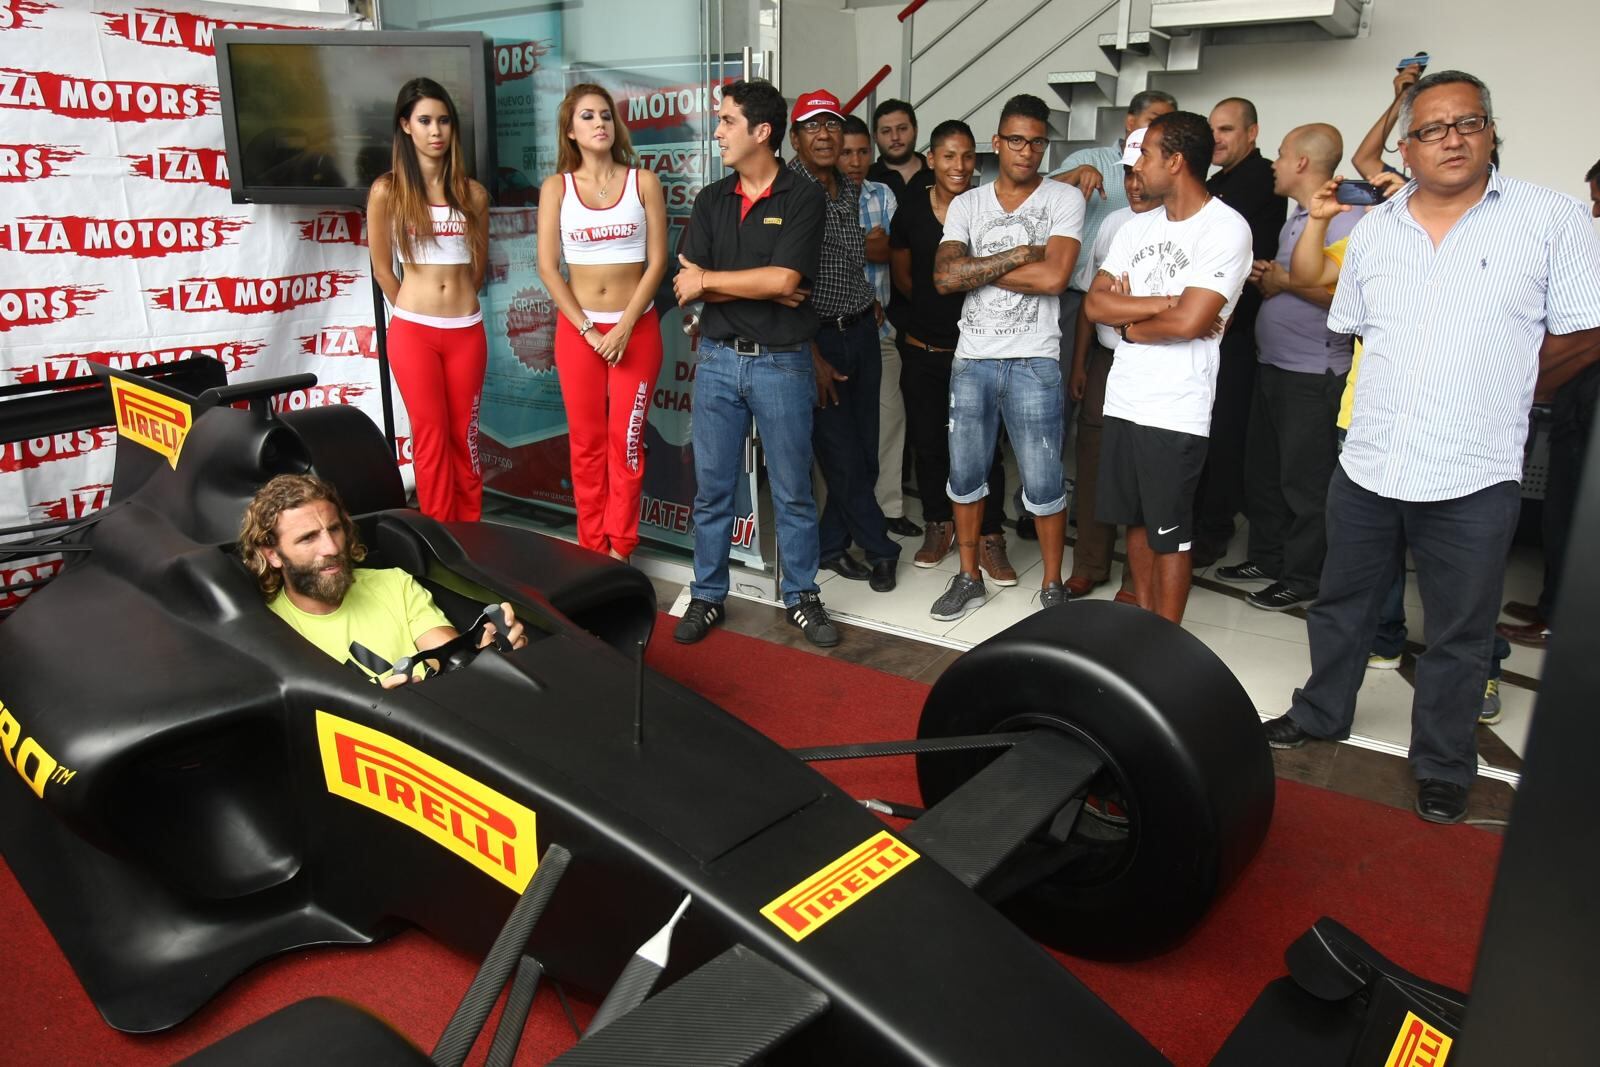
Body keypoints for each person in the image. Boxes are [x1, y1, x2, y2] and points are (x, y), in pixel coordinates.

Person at [1261, 71, 1600, 825]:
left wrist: (1507, 383)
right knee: (1342, 605)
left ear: (1489, 131)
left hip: (1474, 469)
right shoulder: (1375, 229)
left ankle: (1444, 761)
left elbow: (1585, 329)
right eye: (1432, 128)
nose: (1451, 138)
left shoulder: (1552, 219)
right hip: (1372, 457)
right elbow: (1351, 326)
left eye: (1467, 122)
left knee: (1458, 626)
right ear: (1406, 147)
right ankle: (1321, 712)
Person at [671, 79, 840, 647]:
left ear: (761, 132)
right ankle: (707, 595)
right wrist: (759, 286)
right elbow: (684, 284)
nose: (717, 132)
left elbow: (784, 281)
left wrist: (716, 281)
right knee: (713, 492)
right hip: (718, 361)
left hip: (782, 365)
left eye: (726, 121)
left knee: (792, 489)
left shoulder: (803, 196)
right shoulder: (710, 199)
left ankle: (801, 596)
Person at [1085, 111, 1254, 624]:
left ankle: (1166, 642)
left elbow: (1192, 323)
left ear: (1175, 162)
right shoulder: (1137, 228)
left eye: (1147, 154)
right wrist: (1166, 304)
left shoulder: (1225, 228)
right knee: (1135, 524)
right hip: (1126, 398)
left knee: (1171, 534)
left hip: (1176, 409)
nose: (1136, 166)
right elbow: (1096, 305)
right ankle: (1142, 623)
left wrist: (1133, 322)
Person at [929, 94, 1084, 620]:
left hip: (1034, 361)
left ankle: (1053, 585)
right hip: (972, 360)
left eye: (1037, 141)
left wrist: (977, 266)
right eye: (1016, 140)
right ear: (997, 143)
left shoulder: (1063, 199)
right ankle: (968, 576)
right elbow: (944, 277)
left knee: (1043, 480)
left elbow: (1056, 278)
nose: (1027, 151)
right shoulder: (969, 204)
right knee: (966, 474)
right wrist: (1021, 254)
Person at [1216, 124, 1362, 612]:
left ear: (1302, 162)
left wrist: (1284, 281)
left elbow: (1346, 298)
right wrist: (1271, 280)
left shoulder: (1344, 219)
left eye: (1280, 155)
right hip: (1274, 364)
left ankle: (1302, 577)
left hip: (1312, 373)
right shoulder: (1299, 216)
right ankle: (1269, 558)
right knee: (1265, 472)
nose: (1273, 164)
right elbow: (1293, 282)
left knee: (1305, 483)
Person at [537, 83, 668, 562]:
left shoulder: (643, 183)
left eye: (606, 116)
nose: (600, 124)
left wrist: (625, 326)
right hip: (580, 335)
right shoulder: (557, 188)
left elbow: (658, 263)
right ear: (570, 131)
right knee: (587, 446)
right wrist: (591, 332)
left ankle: (621, 548)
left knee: (626, 444)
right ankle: (592, 547)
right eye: (588, 117)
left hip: (636, 330)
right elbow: (549, 269)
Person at [238, 474, 526, 687]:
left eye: (335, 529)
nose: (332, 548)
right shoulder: (271, 630)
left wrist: (488, 655)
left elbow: (447, 657)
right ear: (272, 554)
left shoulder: (394, 584)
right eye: (308, 538)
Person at [789, 91, 903, 594]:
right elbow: (785, 283)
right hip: (819, 341)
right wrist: (808, 351)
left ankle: (831, 546)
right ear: (795, 137)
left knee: (866, 453)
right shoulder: (787, 191)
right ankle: (882, 548)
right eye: (813, 126)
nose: (824, 135)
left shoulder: (846, 187)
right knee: (841, 455)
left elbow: (846, 259)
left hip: (861, 328)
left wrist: (865, 299)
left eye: (832, 125)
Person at [367, 78, 491, 523]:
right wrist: (414, 314)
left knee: (465, 438)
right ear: (406, 126)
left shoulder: (472, 194)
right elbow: (383, 269)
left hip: (466, 331)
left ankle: (473, 539)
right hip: (413, 332)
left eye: (443, 120)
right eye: (425, 121)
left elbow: (477, 269)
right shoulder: (387, 192)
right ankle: (440, 541)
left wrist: (455, 305)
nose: (436, 130)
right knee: (431, 437)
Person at [890, 120, 1009, 571]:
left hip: (979, 352)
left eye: (967, 156)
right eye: (949, 156)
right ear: (932, 159)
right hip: (925, 350)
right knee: (930, 445)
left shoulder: (988, 208)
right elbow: (904, 277)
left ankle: (989, 534)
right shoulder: (911, 212)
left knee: (985, 449)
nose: (959, 165)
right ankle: (939, 525)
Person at [1496, 154, 1600, 650]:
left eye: (1599, 201)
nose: (1594, 214)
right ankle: (1550, 605)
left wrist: (1531, 385)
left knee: (1574, 517)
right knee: (1564, 511)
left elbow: (1589, 337)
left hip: (1586, 404)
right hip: (1578, 401)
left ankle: (1561, 618)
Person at [1064, 125, 1162, 600]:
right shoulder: (1112, 222)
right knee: (1095, 462)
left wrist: (1132, 307)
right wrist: (1080, 364)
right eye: (1127, 172)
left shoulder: (1183, 225)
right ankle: (1090, 564)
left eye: (1142, 171)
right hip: (1106, 358)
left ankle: (1134, 579)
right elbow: (1090, 301)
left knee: (1144, 469)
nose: (1134, 182)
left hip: (1157, 363)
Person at [1191, 97, 1288, 566]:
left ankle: (1213, 531)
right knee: (1200, 431)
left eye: (1227, 129)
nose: (1217, 139)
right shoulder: (1215, 183)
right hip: (1202, 330)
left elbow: (1246, 268)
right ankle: (1196, 525)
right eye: (1212, 130)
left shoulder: (1265, 181)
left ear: (1252, 132)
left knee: (1225, 437)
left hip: (1237, 333)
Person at [840, 114, 920, 542]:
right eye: (846, 152)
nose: (855, 161)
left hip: (881, 330)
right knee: (840, 431)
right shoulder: (819, 196)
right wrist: (862, 241)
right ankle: (839, 516)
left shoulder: (883, 193)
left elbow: (889, 249)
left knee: (890, 421)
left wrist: (854, 243)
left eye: (860, 152)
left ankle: (888, 509)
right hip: (834, 331)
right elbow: (825, 258)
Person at [868, 98, 932, 199]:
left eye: (902, 129)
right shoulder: (867, 180)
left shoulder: (937, 174)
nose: (895, 137)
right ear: (875, 137)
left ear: (915, 130)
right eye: (886, 131)